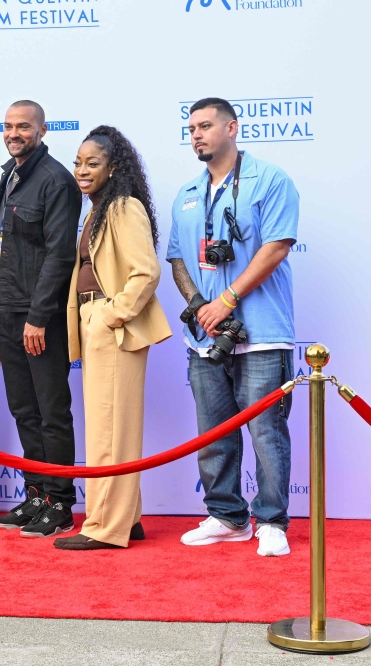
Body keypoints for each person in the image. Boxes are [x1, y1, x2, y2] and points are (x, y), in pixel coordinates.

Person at [167, 98, 299, 557]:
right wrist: (201, 305)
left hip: (261, 332)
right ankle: (226, 516)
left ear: (232, 128)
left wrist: (228, 299)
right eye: (191, 129)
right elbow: (178, 258)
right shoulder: (186, 193)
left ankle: (271, 521)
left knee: (266, 432)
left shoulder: (270, 179)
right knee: (213, 432)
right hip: (205, 337)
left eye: (205, 126)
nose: (197, 135)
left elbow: (277, 246)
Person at [52, 127, 172, 551]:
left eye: (93, 163)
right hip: (92, 320)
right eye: (78, 163)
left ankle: (105, 527)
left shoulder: (123, 207)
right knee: (108, 428)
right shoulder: (98, 209)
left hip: (111, 325)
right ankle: (129, 518)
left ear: (113, 168)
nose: (82, 170)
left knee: (109, 433)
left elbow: (147, 271)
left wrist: (111, 315)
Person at [0, 100, 83, 537]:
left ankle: (61, 502)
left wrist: (39, 317)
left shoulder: (56, 180)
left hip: (38, 315)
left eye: (22, 127)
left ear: (42, 130)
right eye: (8, 127)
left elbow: (60, 254)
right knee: (23, 409)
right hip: (7, 309)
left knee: (51, 410)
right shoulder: (10, 174)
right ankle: (37, 496)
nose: (13, 134)